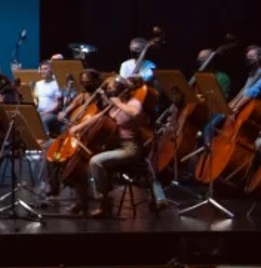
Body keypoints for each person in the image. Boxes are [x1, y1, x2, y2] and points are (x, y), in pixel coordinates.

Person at [67, 76, 167, 217]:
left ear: (122, 90)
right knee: (80, 160)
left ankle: (104, 201)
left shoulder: (134, 103)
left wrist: (118, 103)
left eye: (113, 91)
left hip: (129, 149)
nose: (111, 94)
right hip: (112, 145)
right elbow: (99, 116)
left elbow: (135, 113)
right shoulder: (112, 104)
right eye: (109, 91)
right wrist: (78, 127)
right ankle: (81, 200)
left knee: (95, 161)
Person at [33, 58, 66, 136]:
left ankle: (46, 139)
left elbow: (59, 104)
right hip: (39, 112)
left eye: (45, 69)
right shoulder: (38, 84)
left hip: (52, 113)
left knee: (42, 119)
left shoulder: (57, 84)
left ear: (51, 70)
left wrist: (46, 112)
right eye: (41, 69)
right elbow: (35, 99)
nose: (43, 71)